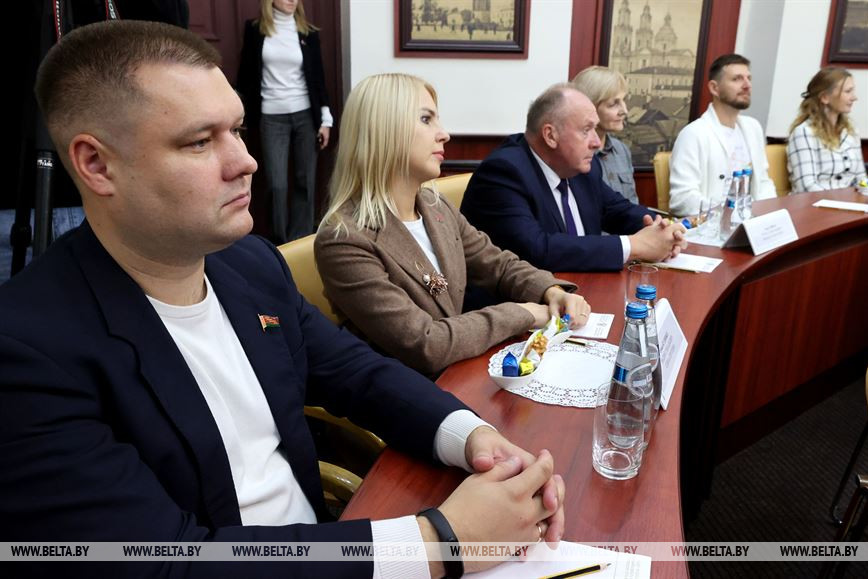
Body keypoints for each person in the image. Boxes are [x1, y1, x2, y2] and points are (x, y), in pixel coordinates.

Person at [0, 20, 567, 578]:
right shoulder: (27, 352)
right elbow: (165, 561)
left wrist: (476, 438)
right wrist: (440, 541)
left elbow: (358, 374)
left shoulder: (249, 263)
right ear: (97, 164)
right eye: (199, 141)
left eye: (238, 130)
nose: (245, 161)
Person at [314, 74, 591, 375]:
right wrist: (522, 313)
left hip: (458, 371)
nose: (444, 134)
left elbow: (498, 265)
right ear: (384, 130)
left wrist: (551, 290)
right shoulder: (344, 240)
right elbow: (426, 343)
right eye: (426, 119)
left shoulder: (436, 207)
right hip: (405, 389)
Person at [460, 83, 686, 273]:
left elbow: (617, 210)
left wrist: (663, 231)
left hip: (582, 290)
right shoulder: (503, 173)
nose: (596, 143)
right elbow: (536, 250)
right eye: (586, 130)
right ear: (550, 135)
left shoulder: (581, 167)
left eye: (595, 129)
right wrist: (634, 246)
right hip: (520, 304)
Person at [237, 0, 331, 243]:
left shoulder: (308, 33)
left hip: (306, 116)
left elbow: (318, 78)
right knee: (276, 184)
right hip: (271, 116)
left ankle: (301, 239)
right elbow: (245, 74)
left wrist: (325, 120)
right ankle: (279, 242)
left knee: (305, 181)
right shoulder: (255, 30)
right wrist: (238, 114)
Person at [668, 53, 777, 217]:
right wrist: (728, 213)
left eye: (749, 78)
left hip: (752, 221)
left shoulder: (753, 128)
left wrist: (771, 215)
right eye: (737, 79)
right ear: (714, 88)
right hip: (712, 225)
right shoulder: (693, 134)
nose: (747, 85)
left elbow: (763, 182)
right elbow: (682, 200)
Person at [786, 67, 867, 193]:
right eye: (848, 91)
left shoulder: (851, 131)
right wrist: (841, 203)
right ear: (825, 97)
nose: (854, 97)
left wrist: (866, 193)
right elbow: (807, 186)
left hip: (850, 203)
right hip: (815, 203)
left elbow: (861, 178)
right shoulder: (804, 133)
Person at [571, 66, 638, 204]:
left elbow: (632, 204)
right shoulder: (573, 153)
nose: (624, 111)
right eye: (613, 104)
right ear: (589, 106)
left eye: (624, 100)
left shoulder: (622, 150)